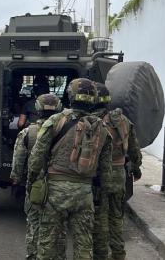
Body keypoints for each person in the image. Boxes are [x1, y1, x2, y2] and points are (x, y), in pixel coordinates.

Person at [27, 78, 112, 260]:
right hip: (84, 194)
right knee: (84, 245)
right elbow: (106, 171)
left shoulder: (56, 121)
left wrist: (32, 183)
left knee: (47, 244)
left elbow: (37, 157)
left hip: (55, 193)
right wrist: (101, 196)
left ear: (71, 96)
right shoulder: (102, 128)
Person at [92, 83, 143, 260]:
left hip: (99, 176)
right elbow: (135, 150)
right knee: (117, 216)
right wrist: (136, 169)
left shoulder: (92, 121)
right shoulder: (124, 121)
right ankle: (119, 253)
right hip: (120, 173)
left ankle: (100, 255)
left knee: (100, 217)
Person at [10, 93, 63, 260]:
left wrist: (16, 177)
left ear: (37, 109)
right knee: (59, 227)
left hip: (35, 186)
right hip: (60, 186)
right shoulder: (68, 130)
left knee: (34, 224)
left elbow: (18, 160)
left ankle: (33, 255)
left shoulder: (28, 132)